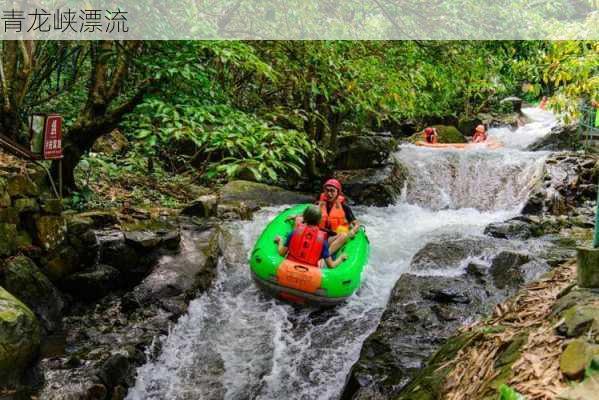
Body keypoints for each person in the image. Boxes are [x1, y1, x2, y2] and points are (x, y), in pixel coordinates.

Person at [275, 205, 347, 269]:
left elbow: (281, 253)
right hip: (311, 274)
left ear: (304, 218)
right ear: (319, 221)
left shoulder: (294, 232)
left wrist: (280, 241)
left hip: (289, 268)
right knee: (322, 261)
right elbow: (331, 265)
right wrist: (341, 258)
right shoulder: (322, 241)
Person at [317, 179, 360, 254]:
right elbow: (311, 214)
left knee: (344, 235)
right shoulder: (321, 203)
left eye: (332, 191)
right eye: (327, 190)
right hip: (319, 234)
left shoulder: (344, 207)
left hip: (333, 236)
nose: (329, 193)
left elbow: (356, 224)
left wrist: (352, 231)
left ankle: (325, 256)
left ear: (337, 193)